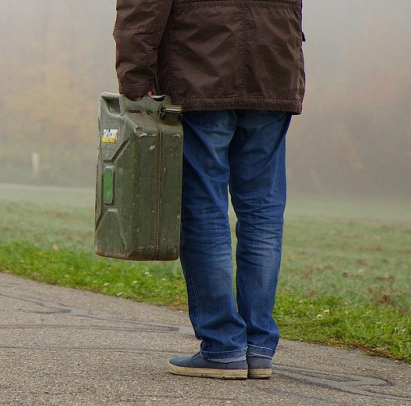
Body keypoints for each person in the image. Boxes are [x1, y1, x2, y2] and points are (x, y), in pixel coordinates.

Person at [113, 0, 305, 379]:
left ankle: (223, 347)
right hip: (274, 65)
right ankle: (258, 347)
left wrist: (134, 78)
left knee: (204, 207)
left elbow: (142, 7)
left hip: (200, 67)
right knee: (263, 212)